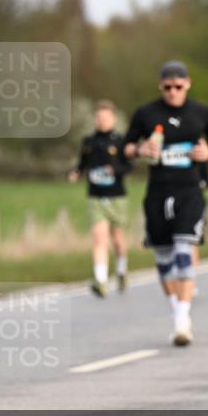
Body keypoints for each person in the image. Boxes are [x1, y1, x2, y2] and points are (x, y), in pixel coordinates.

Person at [124, 61, 208, 346]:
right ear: (160, 86)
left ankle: (183, 318)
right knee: (164, 260)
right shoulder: (146, 113)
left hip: (189, 190)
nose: (172, 92)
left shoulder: (201, 113)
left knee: (184, 249)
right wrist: (141, 149)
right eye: (167, 87)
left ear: (188, 84)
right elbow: (126, 147)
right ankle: (176, 310)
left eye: (178, 86)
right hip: (157, 192)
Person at [68, 99, 131, 297]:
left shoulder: (121, 141)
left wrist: (115, 169)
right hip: (95, 196)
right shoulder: (89, 142)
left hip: (116, 196)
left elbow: (129, 166)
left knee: (118, 240)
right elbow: (82, 163)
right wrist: (76, 173)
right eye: (99, 117)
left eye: (106, 117)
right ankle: (101, 280)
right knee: (99, 238)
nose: (102, 121)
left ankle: (121, 270)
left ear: (113, 118)